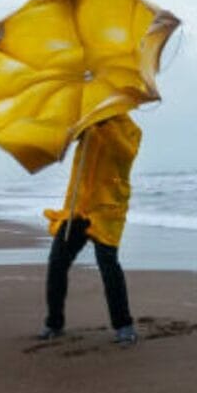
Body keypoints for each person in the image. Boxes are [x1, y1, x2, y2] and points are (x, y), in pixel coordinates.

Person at [40, 113, 141, 345]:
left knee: (108, 264)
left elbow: (125, 154)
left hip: (107, 210)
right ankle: (54, 323)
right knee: (57, 262)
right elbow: (61, 146)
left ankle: (124, 326)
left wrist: (102, 124)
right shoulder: (86, 125)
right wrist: (76, 130)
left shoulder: (130, 129)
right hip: (78, 208)